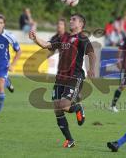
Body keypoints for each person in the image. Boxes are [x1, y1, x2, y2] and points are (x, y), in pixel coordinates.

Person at [29, 14, 96, 148]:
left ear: (81, 24)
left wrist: (91, 68)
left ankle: (78, 107)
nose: (70, 21)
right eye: (70, 19)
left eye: (74, 19)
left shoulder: (82, 38)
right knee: (57, 109)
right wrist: (36, 38)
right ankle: (70, 140)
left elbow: (91, 54)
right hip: (60, 78)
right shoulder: (64, 37)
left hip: (74, 77)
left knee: (64, 106)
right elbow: (47, 45)